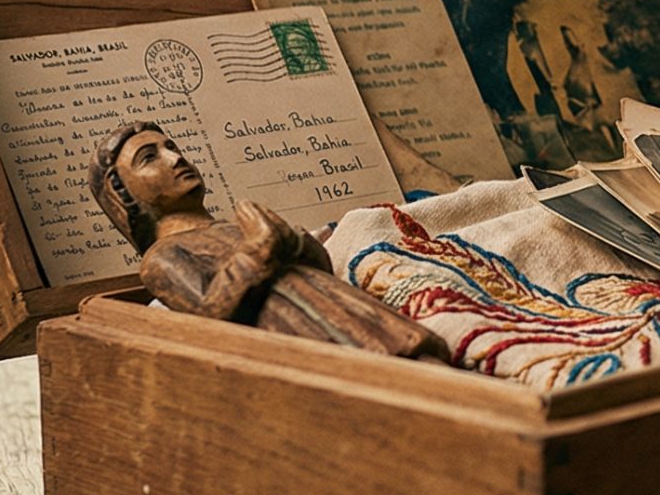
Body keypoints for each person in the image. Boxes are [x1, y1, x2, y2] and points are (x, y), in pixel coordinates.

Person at [89, 119, 447, 362]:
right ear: (122, 194)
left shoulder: (232, 227)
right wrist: (260, 245)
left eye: (171, 147)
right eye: (150, 158)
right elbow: (210, 311)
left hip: (348, 311)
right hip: (304, 336)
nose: (176, 157)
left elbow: (319, 264)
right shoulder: (163, 256)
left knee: (426, 363)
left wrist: (292, 240)